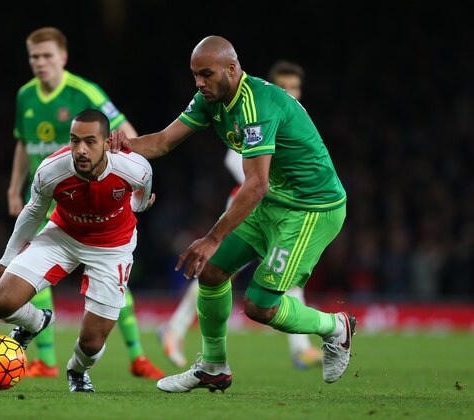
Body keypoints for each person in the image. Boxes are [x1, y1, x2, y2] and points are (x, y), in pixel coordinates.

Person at [111, 36, 355, 392]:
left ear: (231, 68)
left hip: (310, 208)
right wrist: (121, 145)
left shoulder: (257, 106)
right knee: (211, 273)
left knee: (259, 306)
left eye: (205, 74)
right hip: (275, 201)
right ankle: (213, 367)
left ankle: (337, 327)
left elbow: (255, 185)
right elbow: (163, 141)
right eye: (194, 75)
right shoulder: (211, 100)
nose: (198, 83)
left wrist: (212, 238)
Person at [7, 26, 163, 380]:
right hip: (51, 198)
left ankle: (136, 354)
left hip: (97, 201)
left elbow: (129, 136)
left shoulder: (84, 93)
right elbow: (23, 143)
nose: (40, 63)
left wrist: (123, 167)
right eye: (34, 57)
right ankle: (45, 360)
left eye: (47, 56)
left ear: (63, 57)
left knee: (113, 285)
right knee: (32, 277)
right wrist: (13, 189)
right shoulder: (25, 96)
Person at [157, 59, 322, 371]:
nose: (292, 93)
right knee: (220, 271)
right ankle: (177, 329)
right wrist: (263, 182)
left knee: (277, 270)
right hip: (252, 204)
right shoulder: (254, 111)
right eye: (286, 87)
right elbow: (236, 163)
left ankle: (299, 347)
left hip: (276, 204)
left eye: (296, 89)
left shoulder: (286, 117)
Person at [0, 109, 155, 392]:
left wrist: (138, 205)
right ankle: (36, 322)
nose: (81, 150)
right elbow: (33, 214)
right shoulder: (52, 170)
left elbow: (144, 190)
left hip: (112, 248)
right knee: (3, 302)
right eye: (75, 141)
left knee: (92, 342)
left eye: (90, 142)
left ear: (108, 143)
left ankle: (76, 370)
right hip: (63, 236)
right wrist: (5, 261)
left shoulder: (134, 167)